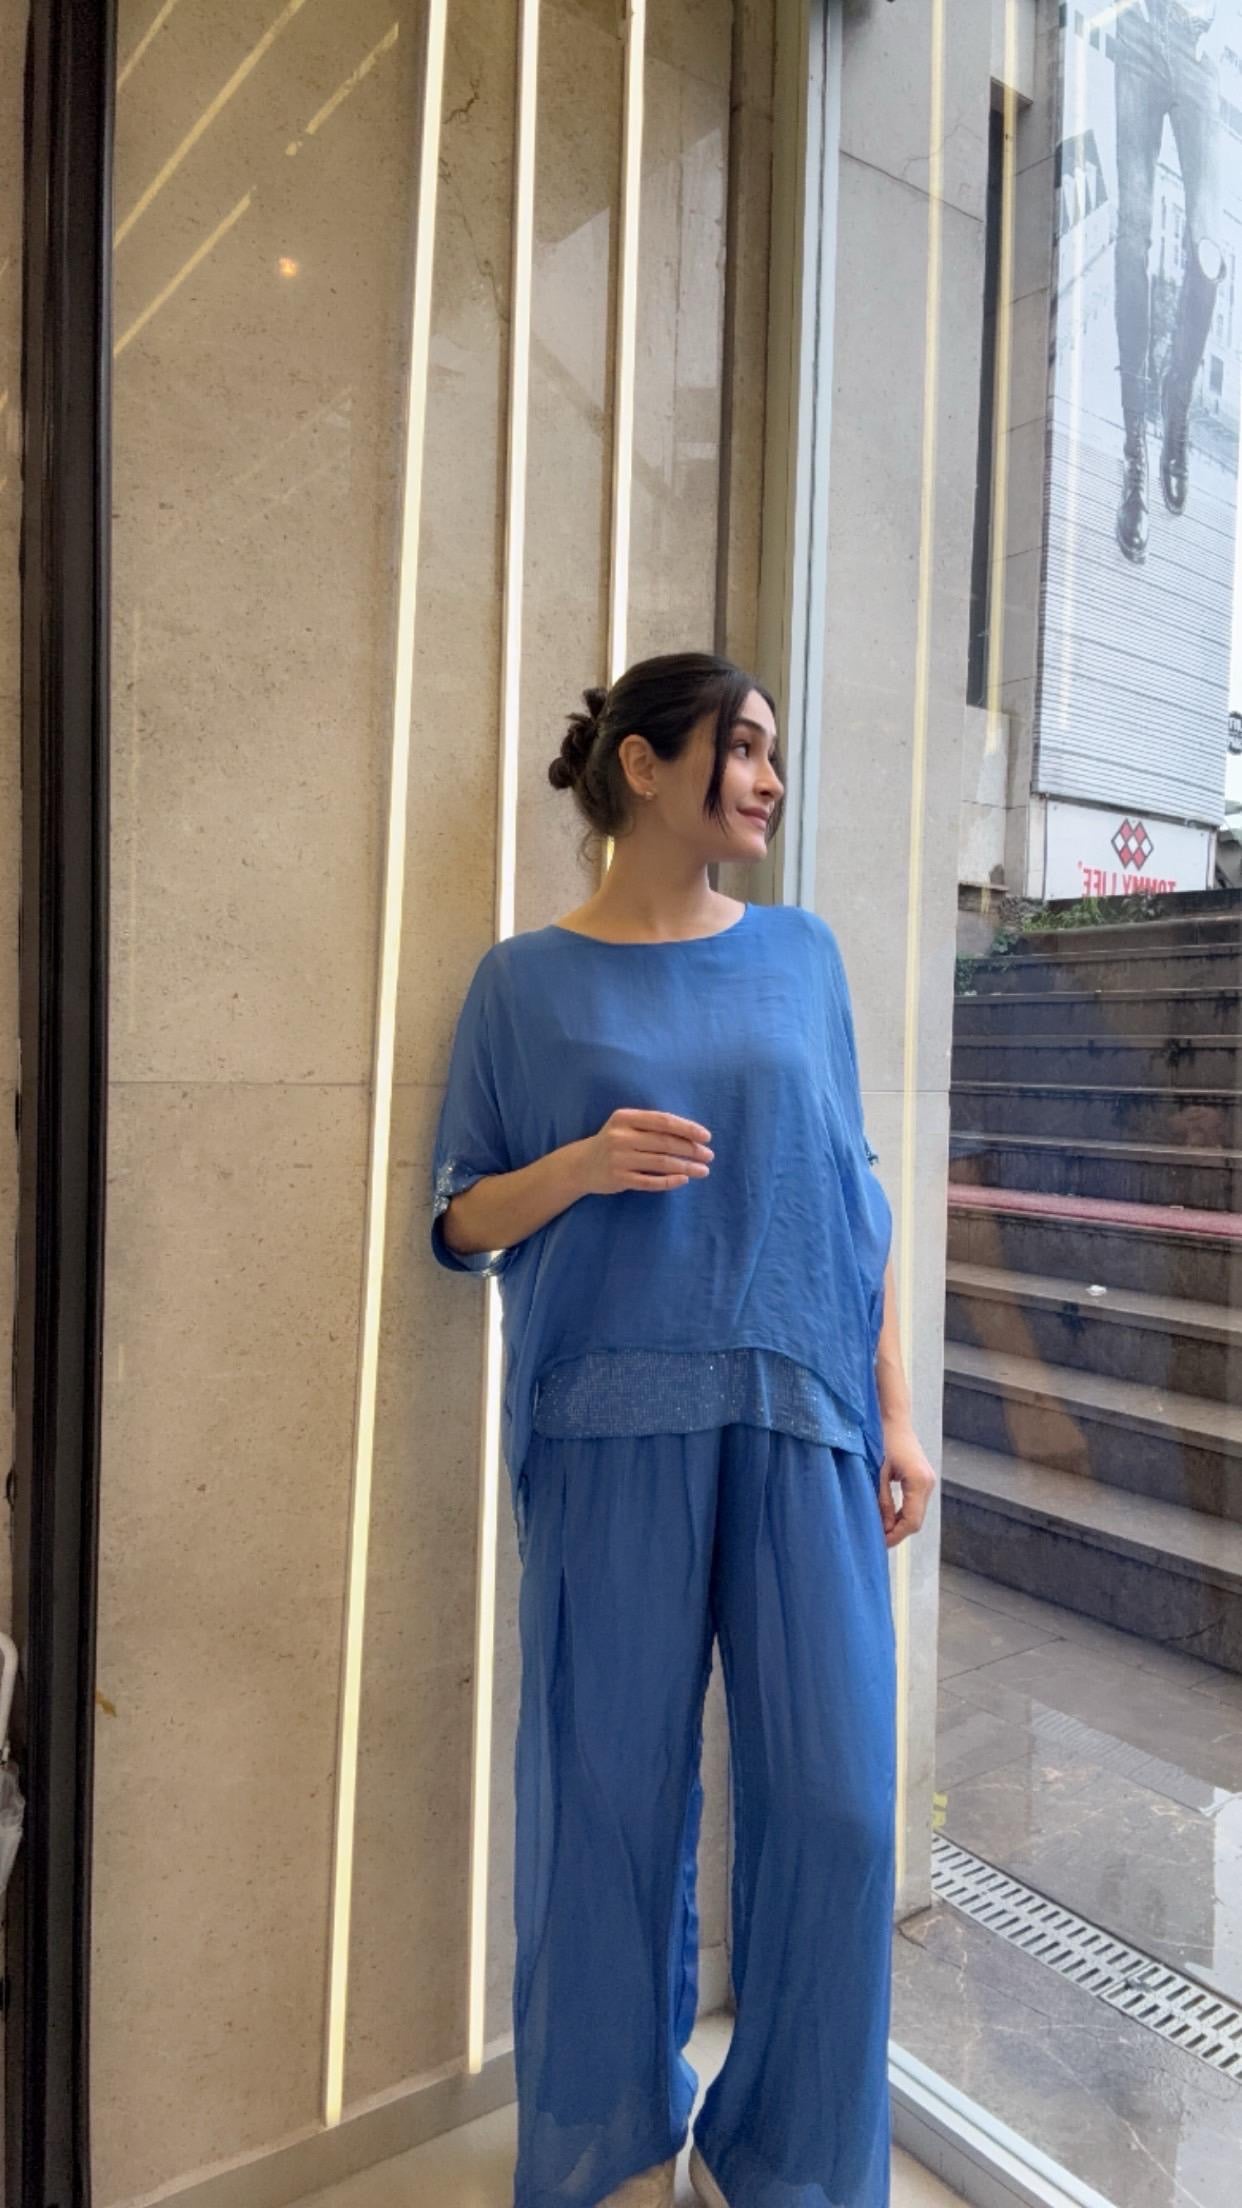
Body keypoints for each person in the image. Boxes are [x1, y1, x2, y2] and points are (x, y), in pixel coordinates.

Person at [430, 651, 937, 2208]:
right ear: (646, 766)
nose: (768, 777)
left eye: (772, 749)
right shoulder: (522, 982)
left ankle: (780, 2151)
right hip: (607, 1425)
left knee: (838, 1808)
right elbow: (458, 1217)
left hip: (802, 1416)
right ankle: (614, 2136)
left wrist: (894, 1411)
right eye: (743, 745)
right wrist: (580, 1164)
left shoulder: (801, 954)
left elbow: (852, 1196)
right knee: (606, 1804)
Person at [1114, 0, 1226, 562]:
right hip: (1139, 30)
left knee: (1208, 247)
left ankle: (1175, 399)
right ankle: (1134, 454)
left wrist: (1227, 29)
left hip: (1198, 44)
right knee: (1133, 234)